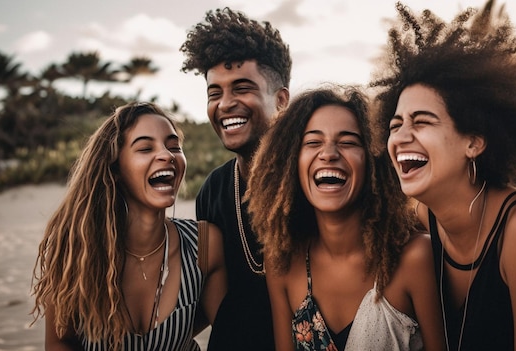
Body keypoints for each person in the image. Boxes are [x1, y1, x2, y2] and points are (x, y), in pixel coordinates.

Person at [373, 2, 516, 350]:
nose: (402, 136)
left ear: (474, 141)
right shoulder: (425, 219)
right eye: (395, 125)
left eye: (422, 121)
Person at [246, 84, 446, 351]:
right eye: (313, 142)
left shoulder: (415, 258)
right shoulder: (282, 263)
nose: (329, 154)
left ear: (374, 160)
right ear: (291, 161)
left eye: (348, 142)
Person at [31, 102, 226, 350]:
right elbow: (61, 341)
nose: (167, 155)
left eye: (174, 146)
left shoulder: (205, 245)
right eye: (145, 148)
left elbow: (228, 332)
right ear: (116, 170)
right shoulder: (76, 249)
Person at [179, 7, 291, 351]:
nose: (225, 104)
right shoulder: (213, 189)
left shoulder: (314, 180)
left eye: (241, 88)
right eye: (215, 93)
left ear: (282, 101)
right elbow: (215, 295)